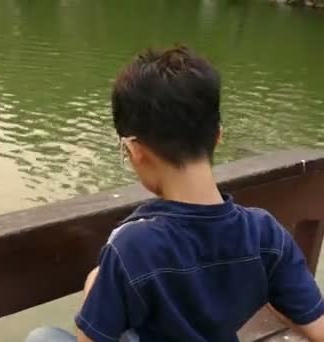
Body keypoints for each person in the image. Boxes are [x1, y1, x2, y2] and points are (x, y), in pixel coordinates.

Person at [25, 45, 324, 342]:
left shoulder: (132, 246)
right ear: (217, 136)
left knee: (43, 337)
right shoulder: (265, 234)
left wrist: (95, 287)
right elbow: (317, 325)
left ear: (135, 150)